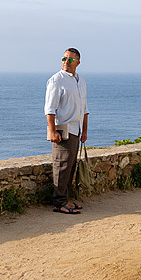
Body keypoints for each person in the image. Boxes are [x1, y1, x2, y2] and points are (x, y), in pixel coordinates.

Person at [44, 47, 88, 214]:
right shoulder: (56, 80)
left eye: (69, 59)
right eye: (63, 58)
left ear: (77, 62)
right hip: (62, 130)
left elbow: (84, 108)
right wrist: (52, 131)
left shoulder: (80, 81)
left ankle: (66, 199)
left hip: (76, 130)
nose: (65, 62)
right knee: (61, 166)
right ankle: (59, 202)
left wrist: (84, 131)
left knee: (71, 166)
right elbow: (50, 109)